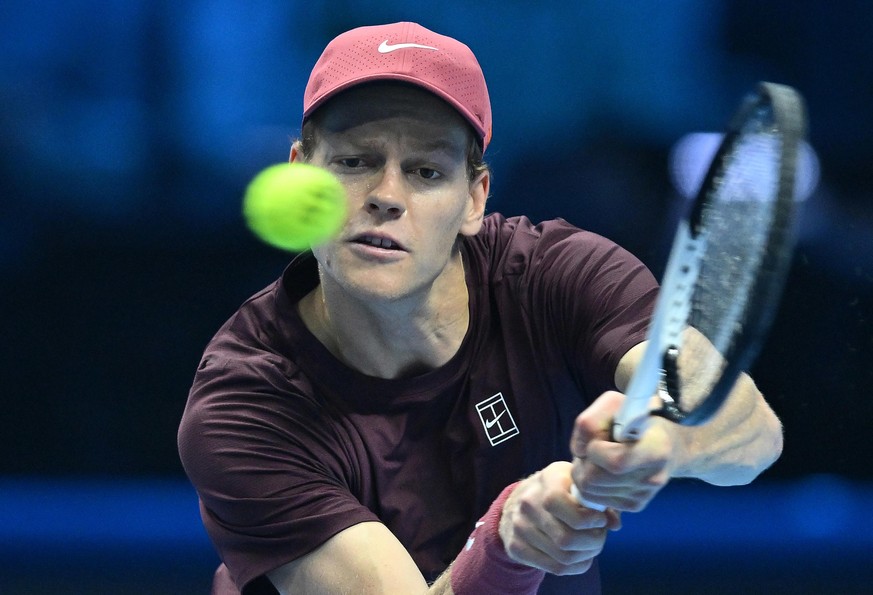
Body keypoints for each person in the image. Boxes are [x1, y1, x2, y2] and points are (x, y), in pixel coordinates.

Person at [178, 21, 783, 595]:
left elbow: (755, 436)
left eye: (425, 171)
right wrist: (506, 542)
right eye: (354, 162)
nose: (387, 196)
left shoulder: (560, 275)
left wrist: (662, 445)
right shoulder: (245, 402)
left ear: (474, 200)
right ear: (300, 173)